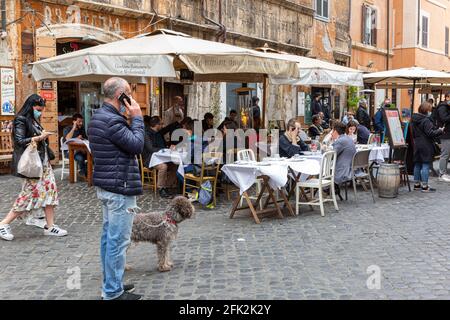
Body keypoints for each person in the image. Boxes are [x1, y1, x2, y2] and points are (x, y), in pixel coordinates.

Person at [88, 77, 144, 300]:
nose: (131, 97)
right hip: (119, 188)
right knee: (118, 241)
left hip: (107, 186)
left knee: (108, 238)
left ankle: (113, 282)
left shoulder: (97, 117)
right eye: (129, 93)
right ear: (120, 94)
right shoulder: (113, 121)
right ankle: (112, 292)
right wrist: (137, 118)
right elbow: (137, 145)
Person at [0, 94, 67, 241]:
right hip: (32, 165)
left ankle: (50, 226)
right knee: (28, 195)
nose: (41, 112)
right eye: (38, 109)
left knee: (50, 192)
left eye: (42, 109)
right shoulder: (21, 119)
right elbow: (19, 141)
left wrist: (43, 135)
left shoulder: (33, 120)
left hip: (43, 164)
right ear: (30, 107)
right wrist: (39, 137)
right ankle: (3, 224)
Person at [411, 101, 444, 192]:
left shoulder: (414, 119)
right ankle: (425, 186)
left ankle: (416, 184)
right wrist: (440, 130)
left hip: (417, 143)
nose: (430, 112)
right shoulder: (426, 120)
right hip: (426, 144)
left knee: (417, 164)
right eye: (430, 110)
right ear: (426, 110)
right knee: (425, 164)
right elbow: (430, 133)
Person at [142, 116, 178, 198]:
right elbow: (151, 148)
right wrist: (165, 149)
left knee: (175, 165)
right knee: (163, 167)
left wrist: (168, 147)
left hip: (161, 157)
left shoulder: (158, 133)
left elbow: (162, 146)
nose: (162, 126)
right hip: (149, 159)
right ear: (156, 125)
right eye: (161, 124)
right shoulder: (146, 134)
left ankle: (167, 186)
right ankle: (161, 188)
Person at [332, 121, 356, 186]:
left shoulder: (340, 141)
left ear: (335, 131)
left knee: (320, 167)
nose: (331, 133)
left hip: (342, 171)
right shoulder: (349, 139)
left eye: (332, 130)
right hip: (350, 169)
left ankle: (320, 188)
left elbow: (331, 156)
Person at [63, 113, 88, 177]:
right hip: (69, 151)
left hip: (81, 150)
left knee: (93, 156)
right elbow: (67, 138)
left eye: (82, 122)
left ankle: (84, 171)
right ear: (74, 122)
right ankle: (85, 173)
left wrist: (82, 138)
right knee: (80, 158)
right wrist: (73, 128)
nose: (81, 123)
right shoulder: (67, 129)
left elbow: (86, 139)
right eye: (79, 121)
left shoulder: (81, 128)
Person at [435, 93, 450, 182]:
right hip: (445, 134)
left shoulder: (447, 107)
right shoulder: (442, 107)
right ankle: (441, 174)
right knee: (445, 154)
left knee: (447, 154)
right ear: (447, 97)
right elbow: (444, 118)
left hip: (448, 133)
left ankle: (444, 173)